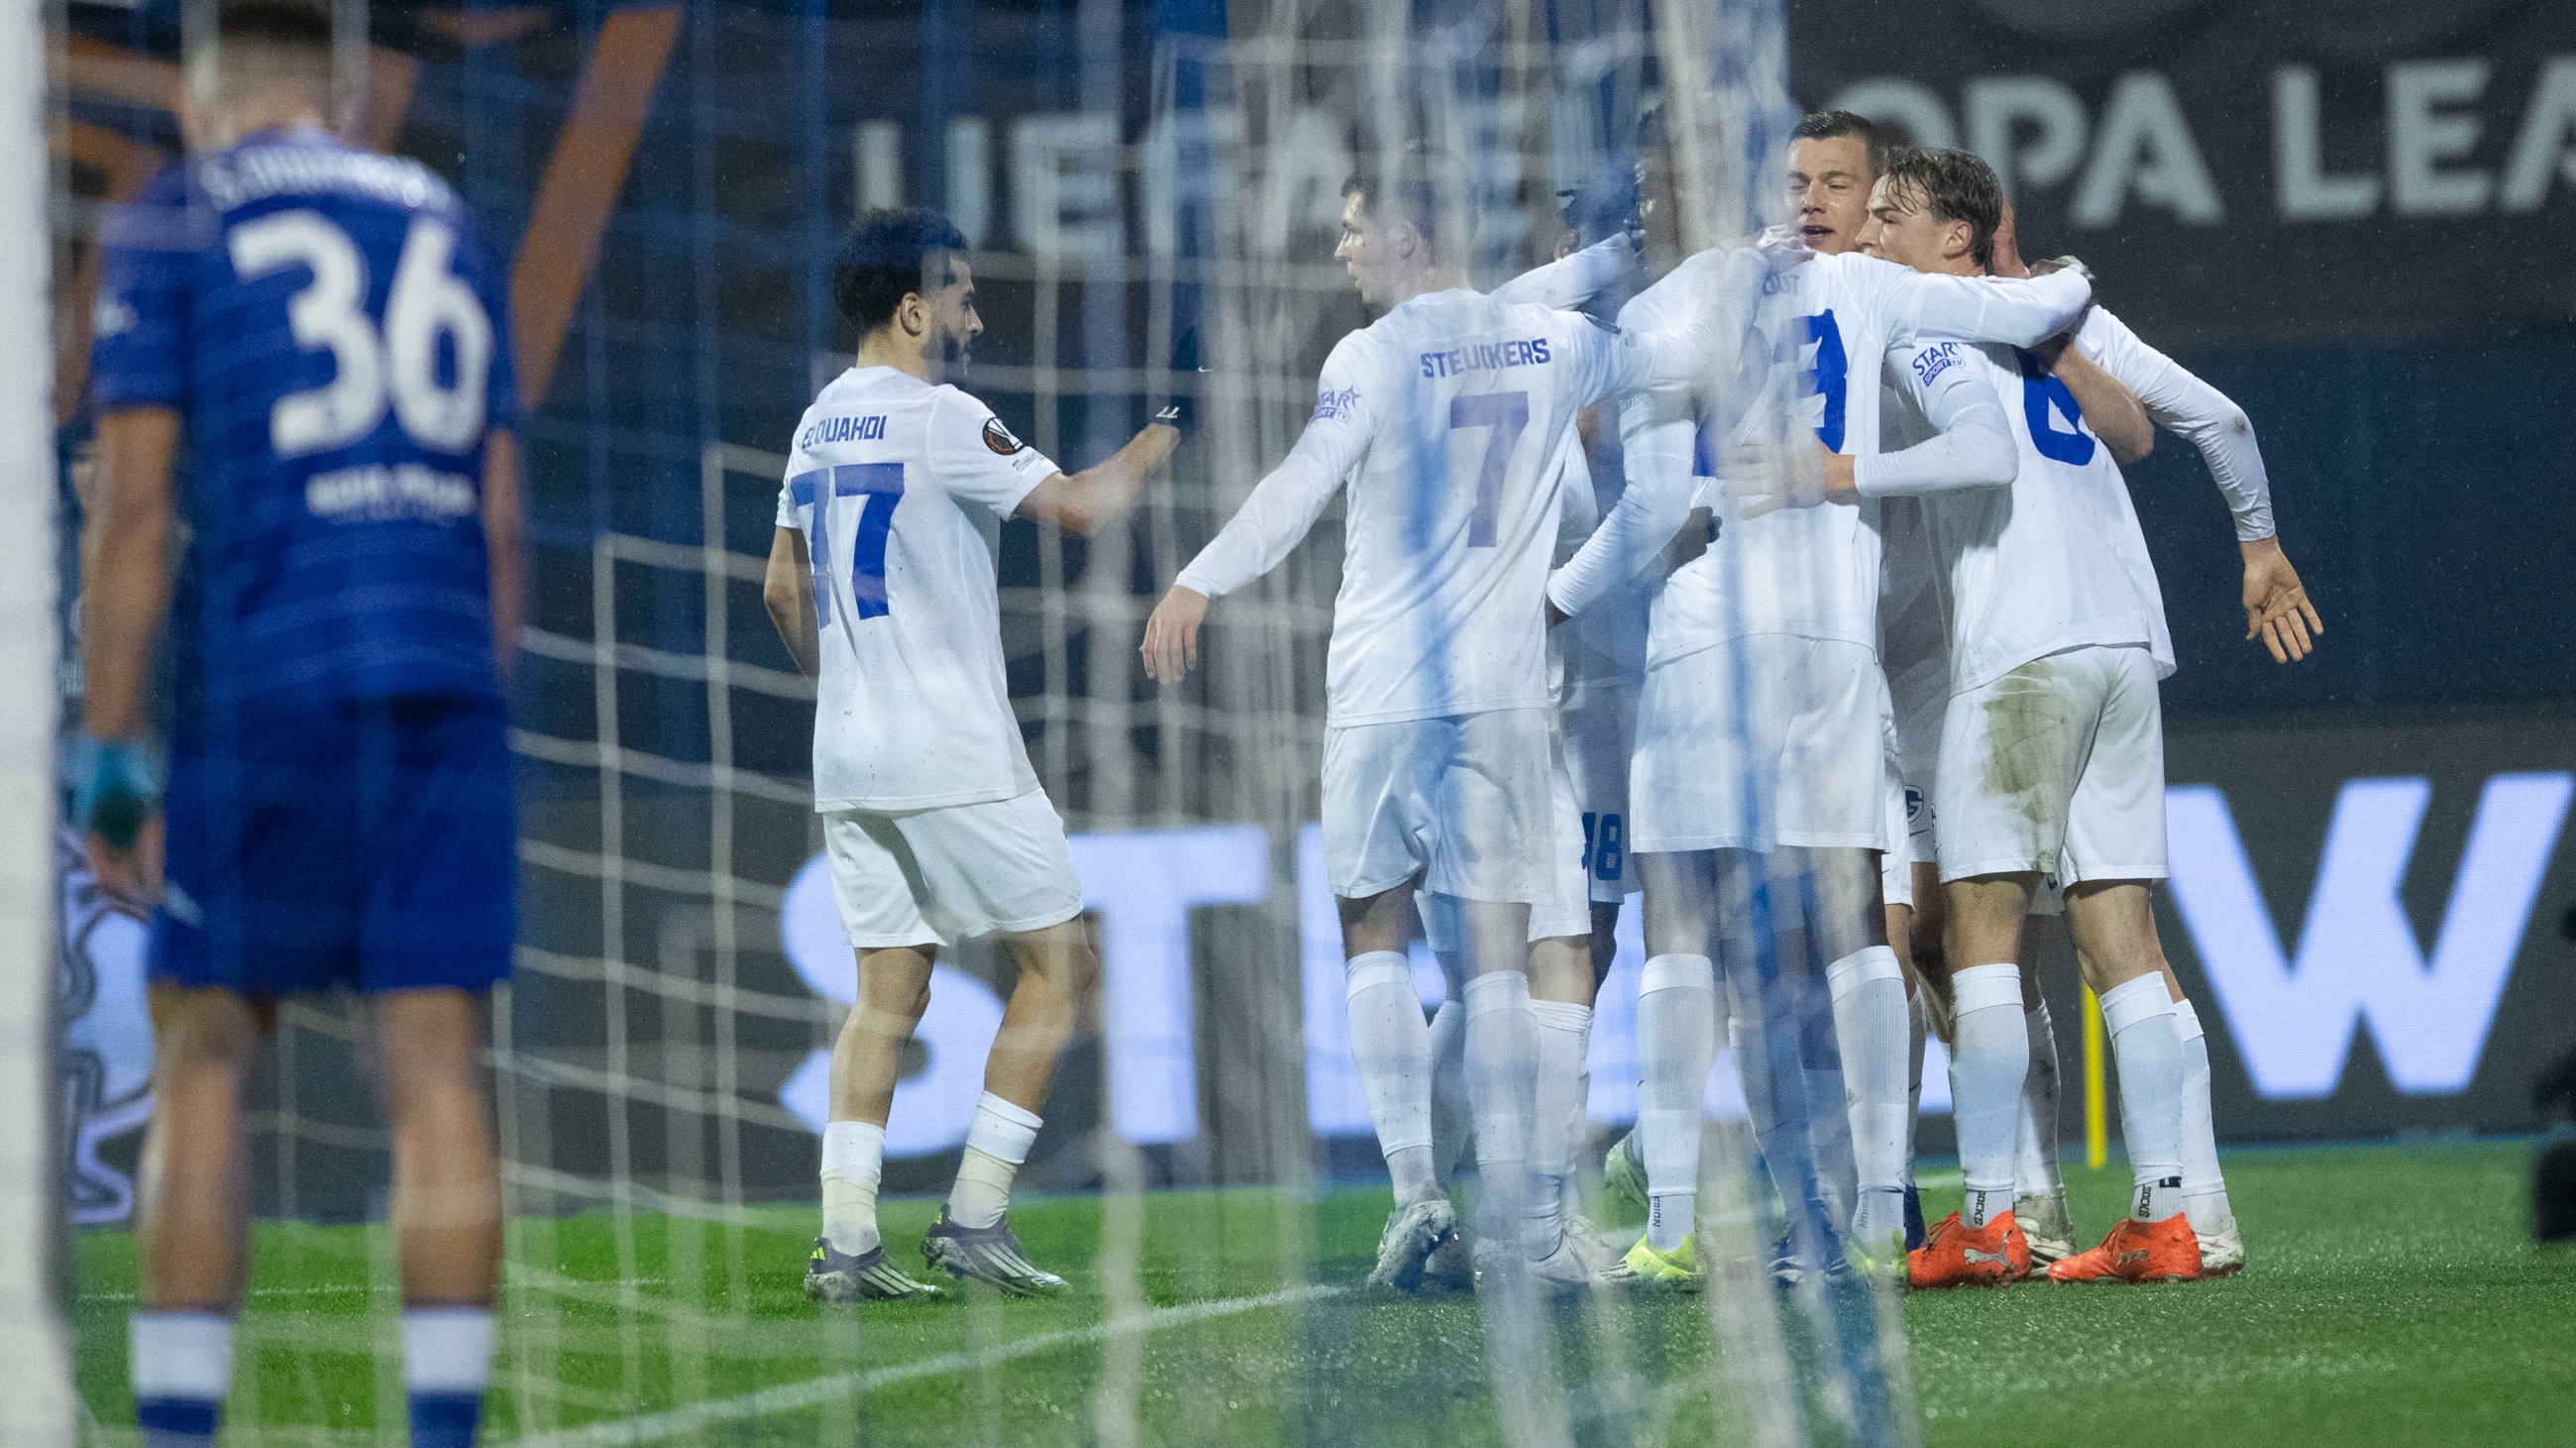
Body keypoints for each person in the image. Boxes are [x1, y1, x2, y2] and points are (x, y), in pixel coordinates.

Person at [1139, 143, 1741, 1292]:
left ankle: (1416, 1192)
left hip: (1379, 688)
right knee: (1504, 956)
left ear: (1409, 238)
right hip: (1503, 692)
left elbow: (1299, 485)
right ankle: (1521, 1222)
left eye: (1355, 228)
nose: (1342, 249)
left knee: (1373, 925)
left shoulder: (1369, 355)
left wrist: (1198, 580)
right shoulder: (1556, 345)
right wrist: (1707, 260)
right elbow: (1661, 350)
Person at [1553, 112, 2093, 1286]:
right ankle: (1877, 1213)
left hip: (1709, 635)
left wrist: (1552, 602)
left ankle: (1671, 1223)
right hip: (1837, 636)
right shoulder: (1865, 286)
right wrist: (2069, 278)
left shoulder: (1675, 304)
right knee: (1854, 925)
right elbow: (2021, 314)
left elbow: (1650, 508)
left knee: (1684, 930)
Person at [79, 4, 521, 1443]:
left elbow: (133, 509)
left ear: (199, 94)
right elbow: (500, 515)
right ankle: (444, 1429)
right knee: (434, 1064)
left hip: (269, 676)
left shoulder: (176, 214)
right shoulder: (440, 213)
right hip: (440, 676)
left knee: (207, 1045)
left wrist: (109, 755)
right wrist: (476, 692)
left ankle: (178, 1428)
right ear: (336, 89)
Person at [771, 207, 1182, 1302]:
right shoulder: (942, 415)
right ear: (913, 311)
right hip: (953, 750)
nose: (976, 320)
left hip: (848, 756)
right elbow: (1086, 507)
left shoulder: (816, 423)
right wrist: (1172, 424)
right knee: (1064, 966)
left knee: (885, 992)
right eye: (961, 296)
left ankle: (846, 1241)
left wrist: (852, 688)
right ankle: (975, 1214)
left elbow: (779, 592)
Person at [1839, 146, 2227, 1286]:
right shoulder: (2048, 325)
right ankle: (2166, 1217)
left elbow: (1972, 447)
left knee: (1978, 932)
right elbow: (2148, 428)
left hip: (2017, 653)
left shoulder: (1919, 328)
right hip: (2117, 648)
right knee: (2121, 940)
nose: (1868, 237)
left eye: (1888, 217)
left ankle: (1989, 1217)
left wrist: (1827, 470)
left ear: (1952, 238)